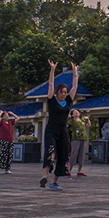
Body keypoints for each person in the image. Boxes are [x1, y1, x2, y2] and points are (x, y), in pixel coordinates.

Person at [40, 61, 80, 191]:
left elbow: (74, 87)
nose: (64, 94)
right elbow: (51, 84)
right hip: (51, 130)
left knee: (63, 155)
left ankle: (54, 182)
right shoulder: (52, 101)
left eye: (65, 92)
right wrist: (52, 70)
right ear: (57, 92)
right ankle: (44, 177)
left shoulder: (68, 101)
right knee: (50, 152)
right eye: (62, 92)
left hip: (63, 131)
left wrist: (75, 73)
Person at [68, 109, 91, 178]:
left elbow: (88, 125)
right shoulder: (71, 121)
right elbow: (66, 126)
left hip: (83, 138)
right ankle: (69, 170)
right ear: (72, 115)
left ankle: (79, 171)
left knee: (82, 154)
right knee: (74, 154)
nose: (77, 113)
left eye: (77, 112)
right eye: (75, 112)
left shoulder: (82, 121)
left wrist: (88, 120)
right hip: (75, 139)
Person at [0, 110, 19, 174]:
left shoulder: (11, 123)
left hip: (10, 140)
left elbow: (18, 118)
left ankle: (7, 168)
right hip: (4, 140)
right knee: (3, 154)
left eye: (7, 116)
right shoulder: (2, 123)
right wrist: (0, 113)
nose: (7, 117)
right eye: (5, 116)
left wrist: (12, 113)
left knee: (10, 155)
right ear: (3, 117)